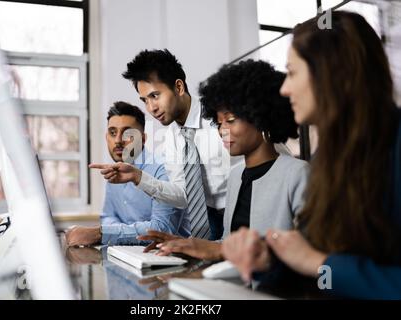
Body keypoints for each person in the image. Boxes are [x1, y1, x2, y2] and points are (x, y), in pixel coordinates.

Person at [222, 11, 401, 299]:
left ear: (331, 73)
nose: (284, 88)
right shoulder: (326, 159)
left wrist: (320, 264)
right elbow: (308, 259)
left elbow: (315, 262)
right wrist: (267, 260)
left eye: (292, 73)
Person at [138, 60, 309, 261]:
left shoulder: (297, 174)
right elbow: (229, 243)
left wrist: (219, 250)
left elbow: (306, 250)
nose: (221, 131)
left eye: (230, 121)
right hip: (232, 265)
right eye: (218, 123)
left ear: (259, 115)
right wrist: (188, 244)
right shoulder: (236, 177)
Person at [90, 49, 240, 240]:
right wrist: (138, 177)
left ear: (178, 87)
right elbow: (183, 194)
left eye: (155, 96)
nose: (151, 108)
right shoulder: (172, 137)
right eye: (145, 100)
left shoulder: (220, 115)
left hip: (241, 210)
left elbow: (266, 154)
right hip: (210, 221)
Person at [65, 102, 189, 246]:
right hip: (131, 252)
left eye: (127, 134)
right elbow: (108, 216)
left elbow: (163, 229)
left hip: (174, 259)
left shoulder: (163, 169)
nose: (118, 141)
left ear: (143, 139)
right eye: (112, 133)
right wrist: (122, 233)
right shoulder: (114, 171)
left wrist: (101, 234)